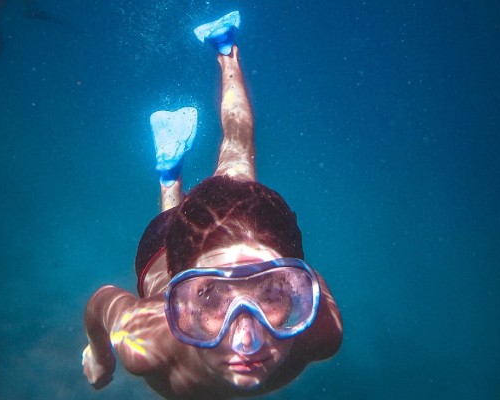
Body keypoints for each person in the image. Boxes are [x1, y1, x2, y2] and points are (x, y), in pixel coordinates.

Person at [82, 11, 343, 399]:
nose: (247, 342)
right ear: (178, 295)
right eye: (210, 297)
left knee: (239, 153)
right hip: (164, 247)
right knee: (231, 161)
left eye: (271, 293)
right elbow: (102, 302)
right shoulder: (147, 346)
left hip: (209, 239)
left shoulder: (319, 331)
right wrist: (102, 353)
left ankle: (222, 55)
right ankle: (171, 172)